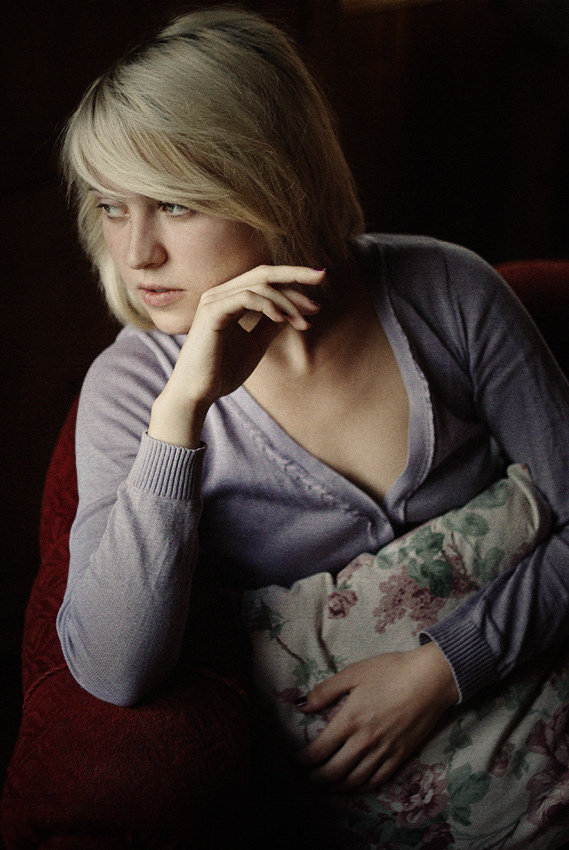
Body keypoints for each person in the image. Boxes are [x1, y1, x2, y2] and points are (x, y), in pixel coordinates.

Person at [56, 2, 569, 836]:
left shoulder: (449, 291)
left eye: (175, 204)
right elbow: (113, 671)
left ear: (273, 182)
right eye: (112, 206)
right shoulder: (131, 388)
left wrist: (443, 669)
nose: (137, 251)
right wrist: (181, 413)